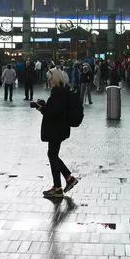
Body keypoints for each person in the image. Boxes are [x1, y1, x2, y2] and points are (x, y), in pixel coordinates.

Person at [33, 68, 79, 198]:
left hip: (56, 129)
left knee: (52, 155)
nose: (48, 80)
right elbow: (56, 109)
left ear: (56, 78)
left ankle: (58, 187)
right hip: (60, 129)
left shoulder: (57, 92)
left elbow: (54, 112)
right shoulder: (63, 91)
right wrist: (45, 105)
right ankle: (67, 179)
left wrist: (41, 108)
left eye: (50, 78)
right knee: (53, 155)